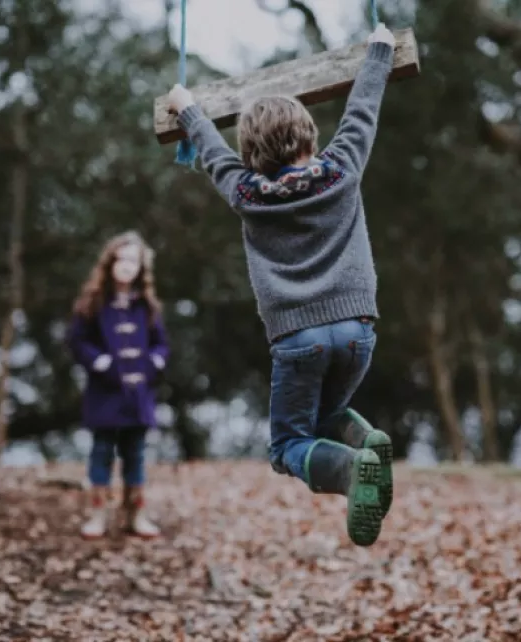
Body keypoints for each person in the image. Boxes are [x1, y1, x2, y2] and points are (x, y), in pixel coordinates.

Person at [166, 24, 396, 547]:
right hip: (358, 330)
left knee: (289, 444)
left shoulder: (247, 192)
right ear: (310, 134)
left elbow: (210, 151)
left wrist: (188, 107)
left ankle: (353, 469)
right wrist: (379, 49)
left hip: (299, 338)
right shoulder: (343, 169)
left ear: (253, 152)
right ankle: (368, 441)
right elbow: (363, 109)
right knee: (328, 415)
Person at [68, 231, 169, 539]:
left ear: (141, 267)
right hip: (105, 395)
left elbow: (161, 344)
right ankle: (98, 515)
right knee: (101, 453)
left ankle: (135, 515)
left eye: (133, 261)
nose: (127, 266)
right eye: (121, 259)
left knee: (136, 455)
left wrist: (154, 362)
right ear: (110, 263)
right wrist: (100, 362)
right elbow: (76, 340)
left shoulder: (147, 306)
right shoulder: (93, 303)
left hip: (137, 397)